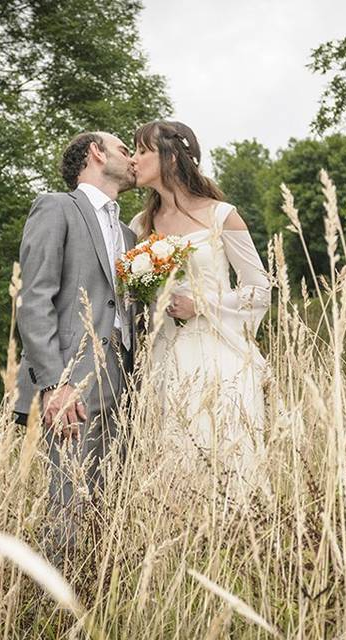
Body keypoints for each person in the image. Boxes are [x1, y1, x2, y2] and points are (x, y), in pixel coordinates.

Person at [14, 131, 140, 568]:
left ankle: (102, 588)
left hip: (126, 378)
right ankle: (58, 599)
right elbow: (34, 300)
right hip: (73, 379)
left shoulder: (127, 230)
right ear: (96, 153)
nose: (133, 157)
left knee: (113, 496)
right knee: (68, 496)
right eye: (125, 149)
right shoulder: (57, 208)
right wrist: (54, 383)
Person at [128, 120, 272, 503]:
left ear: (171, 156)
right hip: (164, 357)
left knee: (226, 449)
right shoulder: (140, 225)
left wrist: (202, 305)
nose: (134, 159)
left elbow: (259, 289)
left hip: (219, 354)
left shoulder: (222, 215)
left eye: (142, 150)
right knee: (174, 455)